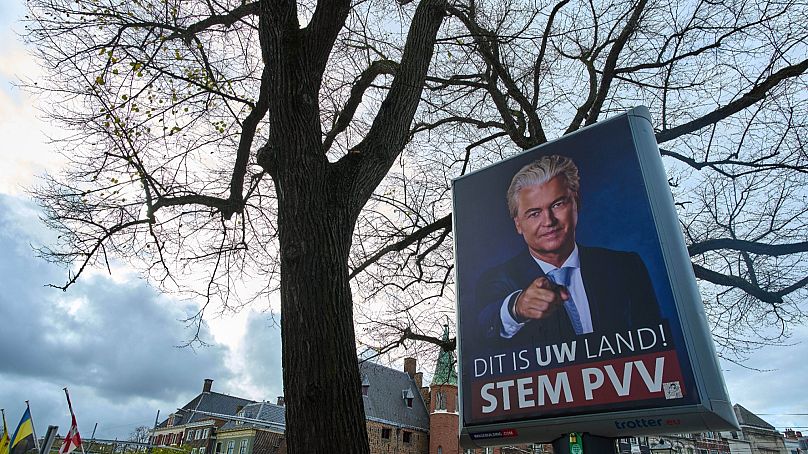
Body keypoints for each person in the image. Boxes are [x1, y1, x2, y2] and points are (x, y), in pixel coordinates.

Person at [475, 155, 661, 347]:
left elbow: (656, 342)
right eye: (534, 213)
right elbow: (482, 326)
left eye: (557, 205)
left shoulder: (625, 267)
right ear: (518, 224)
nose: (548, 221)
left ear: (576, 203)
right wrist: (517, 307)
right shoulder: (497, 279)